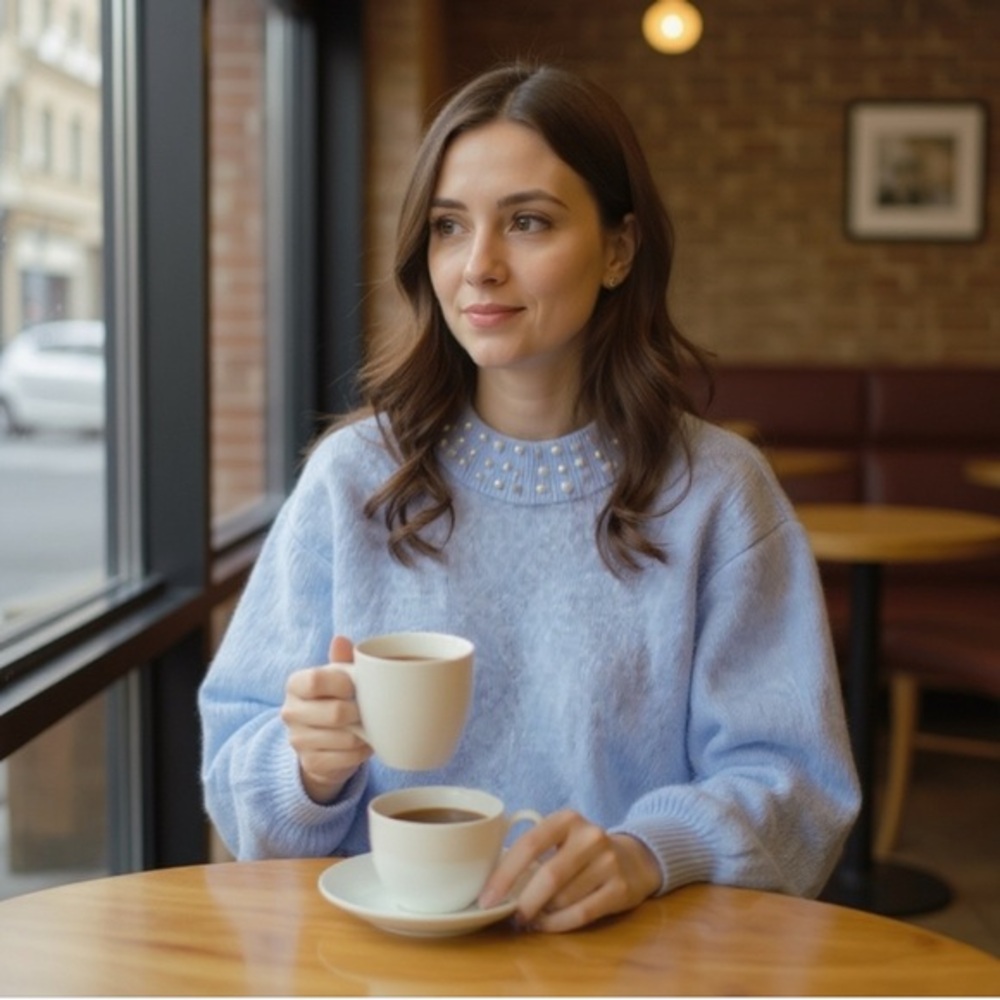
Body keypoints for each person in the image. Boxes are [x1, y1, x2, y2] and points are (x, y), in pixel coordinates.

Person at [199, 62, 859, 933]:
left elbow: (796, 785)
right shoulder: (353, 478)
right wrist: (307, 769)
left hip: (630, 963)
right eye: (447, 227)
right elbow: (234, 770)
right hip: (388, 969)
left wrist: (647, 854)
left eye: (528, 222)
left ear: (619, 249)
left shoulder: (719, 494)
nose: (479, 266)